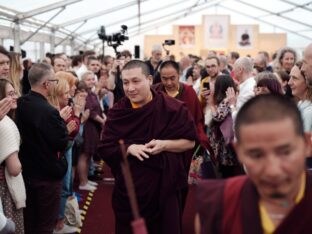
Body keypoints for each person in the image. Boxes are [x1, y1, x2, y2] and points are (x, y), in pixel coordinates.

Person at [98, 60, 197, 234]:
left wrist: (164, 145)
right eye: (126, 82)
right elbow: (105, 147)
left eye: (136, 81)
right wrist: (128, 148)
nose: (130, 88)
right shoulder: (118, 113)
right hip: (130, 191)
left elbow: (190, 142)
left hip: (164, 189)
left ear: (150, 79)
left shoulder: (172, 108)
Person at [195, 94, 312, 234]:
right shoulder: (216, 205)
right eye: (256, 155)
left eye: (285, 152)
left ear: (306, 144)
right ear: (239, 152)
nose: (273, 171)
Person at [16, 63, 69, 234]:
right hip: (47, 176)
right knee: (46, 224)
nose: (55, 84)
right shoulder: (48, 111)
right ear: (47, 84)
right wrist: (62, 122)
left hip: (26, 173)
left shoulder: (21, 103)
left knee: (30, 221)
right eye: (54, 80)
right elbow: (61, 142)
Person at [0, 79, 26, 234]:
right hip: (6, 189)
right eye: (10, 94)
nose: (15, 96)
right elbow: (14, 168)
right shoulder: (6, 124)